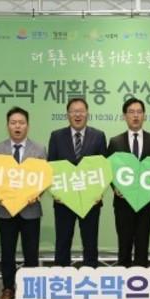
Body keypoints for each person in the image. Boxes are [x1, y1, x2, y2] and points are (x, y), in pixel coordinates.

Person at [0, 106, 47, 299]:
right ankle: (8, 289)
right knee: (7, 252)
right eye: (13, 123)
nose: (17, 126)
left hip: (30, 210)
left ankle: (30, 290)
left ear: (27, 126)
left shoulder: (39, 149)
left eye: (21, 123)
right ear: (7, 126)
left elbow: (44, 178)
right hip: (5, 210)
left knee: (31, 252)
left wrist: (37, 194)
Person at [47, 98, 107, 267]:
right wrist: (55, 192)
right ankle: (61, 276)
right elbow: (51, 167)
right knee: (63, 241)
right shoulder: (56, 136)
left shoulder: (98, 136)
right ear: (67, 115)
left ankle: (91, 275)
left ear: (87, 114)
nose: (77, 115)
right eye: (74, 111)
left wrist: (99, 192)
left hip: (90, 200)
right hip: (64, 200)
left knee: (90, 242)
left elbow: (103, 167)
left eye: (81, 111)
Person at [107, 98, 150, 267]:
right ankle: (123, 276)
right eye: (131, 112)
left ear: (144, 115)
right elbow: (108, 170)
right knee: (124, 244)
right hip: (123, 202)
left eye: (139, 112)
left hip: (146, 202)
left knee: (142, 244)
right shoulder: (115, 141)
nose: (136, 116)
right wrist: (114, 187)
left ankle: (141, 278)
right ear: (124, 116)